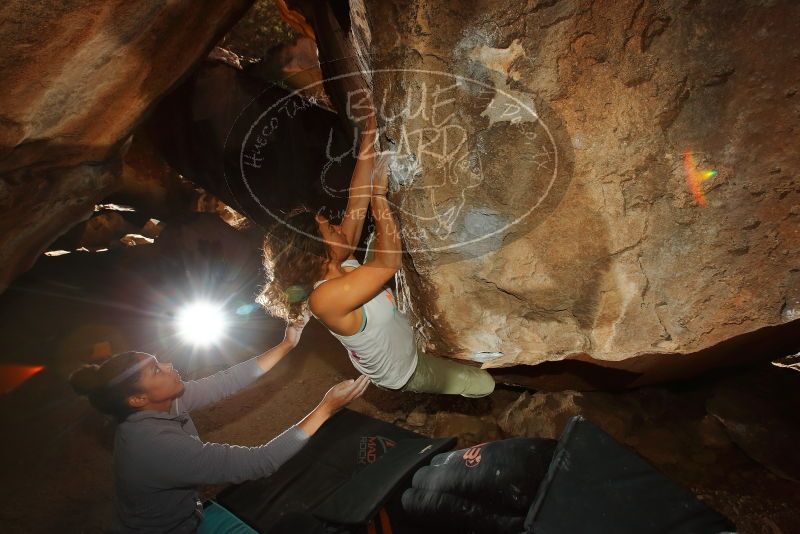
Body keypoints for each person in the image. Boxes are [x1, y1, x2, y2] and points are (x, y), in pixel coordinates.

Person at [257, 113, 495, 398]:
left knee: (376, 237)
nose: (338, 227)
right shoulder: (322, 299)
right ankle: (446, 370)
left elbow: (357, 199)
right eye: (330, 230)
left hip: (393, 329)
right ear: (319, 254)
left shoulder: (337, 259)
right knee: (485, 384)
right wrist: (379, 197)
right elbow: (388, 263)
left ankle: (409, 324)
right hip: (405, 370)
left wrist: (370, 132)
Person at [69, 315, 369, 533]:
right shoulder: (154, 447)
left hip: (190, 518)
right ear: (137, 399)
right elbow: (259, 462)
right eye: (156, 370)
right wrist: (325, 409)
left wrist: (287, 344)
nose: (169, 366)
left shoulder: (165, 402)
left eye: (158, 361)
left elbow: (227, 381)